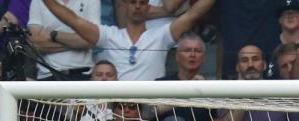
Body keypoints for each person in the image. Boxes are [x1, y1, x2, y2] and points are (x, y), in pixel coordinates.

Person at [40, 0, 215, 81]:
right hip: (115, 107)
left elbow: (193, 14)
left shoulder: (160, 35)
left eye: (142, 2)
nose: (137, 6)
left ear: (148, 7)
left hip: (149, 110)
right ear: (125, 5)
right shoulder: (110, 35)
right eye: (132, 2)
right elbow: (74, 21)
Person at [28, 0, 99, 80]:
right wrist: (79, 42)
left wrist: (53, 34)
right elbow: (35, 43)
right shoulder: (39, 1)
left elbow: (93, 38)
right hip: (48, 75)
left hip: (83, 73)